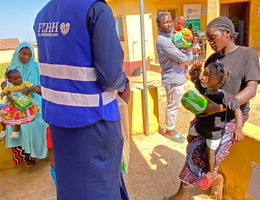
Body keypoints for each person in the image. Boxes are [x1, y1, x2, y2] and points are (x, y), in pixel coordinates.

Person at [34, 0, 130, 199]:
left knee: (71, 187)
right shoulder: (96, 9)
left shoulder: (42, 15)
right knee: (101, 188)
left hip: (59, 122)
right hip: (95, 122)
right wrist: (123, 82)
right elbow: (111, 77)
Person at [165, 16, 260, 200]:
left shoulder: (247, 54)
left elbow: (251, 89)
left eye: (212, 37)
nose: (210, 42)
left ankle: (183, 192)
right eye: (208, 39)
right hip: (206, 114)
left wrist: (222, 107)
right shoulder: (212, 58)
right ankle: (216, 180)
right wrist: (194, 78)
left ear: (227, 33)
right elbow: (206, 86)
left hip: (229, 118)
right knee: (192, 143)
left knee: (198, 152)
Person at [187, 62, 243, 190]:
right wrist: (195, 71)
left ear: (219, 82)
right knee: (190, 137)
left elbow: (237, 109)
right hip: (201, 126)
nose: (203, 78)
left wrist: (239, 128)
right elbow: (194, 78)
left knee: (210, 152)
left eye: (207, 75)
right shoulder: (203, 89)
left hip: (214, 131)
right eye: (203, 74)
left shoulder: (223, 96)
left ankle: (211, 173)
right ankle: (193, 148)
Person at [5, 42, 48, 166]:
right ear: (17, 52)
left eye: (29, 55)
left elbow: (44, 87)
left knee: (37, 121)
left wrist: (30, 89)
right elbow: (5, 87)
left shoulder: (36, 67)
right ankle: (25, 156)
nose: (26, 57)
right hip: (15, 102)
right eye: (23, 53)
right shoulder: (11, 68)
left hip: (34, 100)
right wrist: (9, 96)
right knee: (13, 121)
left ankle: (39, 153)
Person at [156, 13, 193, 143]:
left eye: (170, 21)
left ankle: (170, 128)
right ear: (159, 25)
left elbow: (182, 51)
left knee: (175, 104)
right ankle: (170, 130)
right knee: (173, 105)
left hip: (177, 76)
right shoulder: (163, 41)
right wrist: (191, 54)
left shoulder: (172, 37)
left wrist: (185, 53)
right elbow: (182, 57)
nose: (169, 24)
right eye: (165, 22)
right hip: (172, 78)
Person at [0, 69, 40, 139]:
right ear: (10, 81)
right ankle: (4, 129)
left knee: (18, 115)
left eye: (20, 77)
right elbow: (4, 92)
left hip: (23, 103)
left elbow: (34, 87)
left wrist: (28, 89)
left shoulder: (24, 83)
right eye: (15, 79)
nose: (18, 80)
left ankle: (16, 130)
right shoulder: (9, 87)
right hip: (13, 104)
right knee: (2, 114)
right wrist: (4, 94)